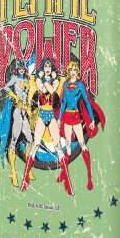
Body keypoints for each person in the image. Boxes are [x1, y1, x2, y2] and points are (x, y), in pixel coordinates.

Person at [20, 58, 74, 195]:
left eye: (49, 66)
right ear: (43, 68)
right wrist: (44, 80)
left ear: (52, 68)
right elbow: (43, 89)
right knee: (35, 145)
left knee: (58, 147)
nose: (48, 68)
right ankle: (25, 180)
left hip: (51, 116)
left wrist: (44, 79)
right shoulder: (41, 80)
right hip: (42, 115)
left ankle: (68, 183)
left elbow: (51, 89)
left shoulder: (54, 81)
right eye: (45, 66)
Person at [57, 61, 105, 191]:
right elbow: (63, 103)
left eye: (74, 69)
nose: (72, 71)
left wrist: (92, 120)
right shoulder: (65, 84)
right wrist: (60, 118)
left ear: (77, 71)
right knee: (68, 147)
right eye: (70, 69)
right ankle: (66, 177)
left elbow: (87, 102)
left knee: (83, 144)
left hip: (76, 117)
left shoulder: (80, 84)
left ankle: (89, 178)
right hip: (67, 117)